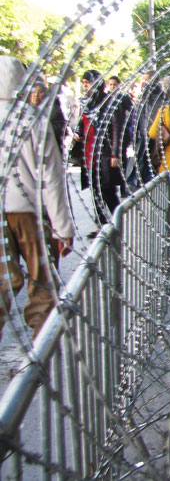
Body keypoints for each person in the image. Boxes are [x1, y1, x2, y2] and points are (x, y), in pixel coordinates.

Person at [0, 56, 74, 340]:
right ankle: (40, 350)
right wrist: (62, 228)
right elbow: (51, 179)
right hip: (29, 212)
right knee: (42, 283)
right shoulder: (32, 120)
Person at [73, 70, 124, 239]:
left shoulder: (107, 102)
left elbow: (116, 127)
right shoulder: (86, 103)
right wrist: (77, 133)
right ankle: (101, 224)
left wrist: (115, 154)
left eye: (88, 82)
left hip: (104, 152)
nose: (85, 85)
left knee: (107, 191)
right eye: (84, 82)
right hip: (88, 153)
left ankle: (120, 221)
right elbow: (82, 124)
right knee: (95, 192)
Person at [106, 76, 134, 197]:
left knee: (121, 162)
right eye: (110, 85)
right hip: (110, 136)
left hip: (122, 134)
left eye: (114, 85)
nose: (112, 87)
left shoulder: (123, 98)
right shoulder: (106, 98)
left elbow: (129, 113)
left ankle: (123, 187)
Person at [29, 79, 66, 152]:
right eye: (33, 91)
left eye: (39, 92)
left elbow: (61, 130)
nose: (36, 95)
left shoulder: (53, 111)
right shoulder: (26, 110)